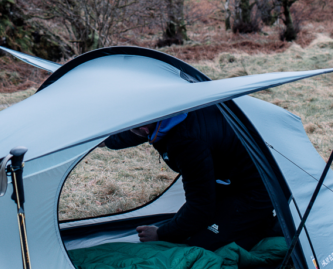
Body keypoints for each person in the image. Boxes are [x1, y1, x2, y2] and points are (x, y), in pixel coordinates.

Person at [104, 104, 277, 251]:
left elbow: (200, 207)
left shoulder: (187, 143)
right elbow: (135, 132)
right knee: (190, 226)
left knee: (200, 244)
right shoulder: (171, 111)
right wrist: (106, 140)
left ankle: (264, 224)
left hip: (258, 190)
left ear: (143, 128)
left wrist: (161, 234)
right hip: (229, 180)